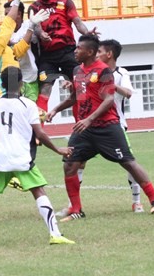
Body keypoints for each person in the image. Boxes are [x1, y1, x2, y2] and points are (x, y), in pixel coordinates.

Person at [46, 35, 154, 221]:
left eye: (79, 48)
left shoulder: (103, 71)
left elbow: (109, 99)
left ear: (90, 52)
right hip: (85, 130)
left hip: (107, 126)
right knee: (70, 164)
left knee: (128, 162)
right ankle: (76, 210)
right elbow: (75, 97)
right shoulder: (77, 70)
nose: (75, 51)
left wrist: (89, 119)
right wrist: (55, 109)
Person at [0, 67, 75, 249]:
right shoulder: (28, 105)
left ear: (2, 84)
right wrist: (58, 149)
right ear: (21, 83)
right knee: (39, 192)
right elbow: (40, 134)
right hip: (21, 158)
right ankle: (55, 234)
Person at [56, 39, 144, 217]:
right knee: (76, 163)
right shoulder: (86, 71)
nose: (96, 55)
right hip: (88, 126)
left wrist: (109, 82)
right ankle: (74, 206)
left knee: (128, 162)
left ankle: (137, 201)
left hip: (114, 125)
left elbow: (127, 93)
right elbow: (80, 94)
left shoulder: (120, 73)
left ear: (108, 54)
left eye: (99, 52)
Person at [28, 0, 98, 122]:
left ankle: (81, 123)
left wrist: (87, 34)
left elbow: (78, 22)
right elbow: (36, 26)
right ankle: (39, 131)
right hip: (47, 55)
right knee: (45, 88)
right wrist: (41, 34)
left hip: (69, 52)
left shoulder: (65, 2)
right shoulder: (34, 7)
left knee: (79, 87)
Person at [7, 1, 40, 102]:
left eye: (8, 13)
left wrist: (10, 42)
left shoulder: (29, 25)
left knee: (32, 107)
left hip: (31, 75)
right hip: (14, 76)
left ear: (19, 14)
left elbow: (26, 41)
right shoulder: (6, 30)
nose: (7, 17)